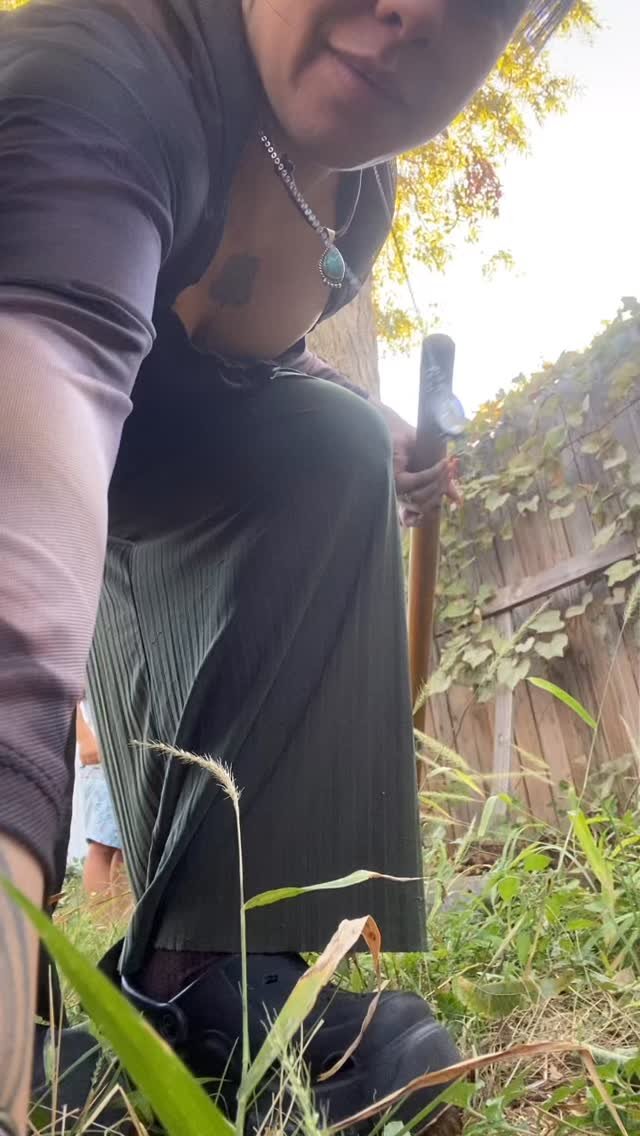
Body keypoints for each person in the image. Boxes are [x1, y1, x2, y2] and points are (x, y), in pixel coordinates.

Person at [0, 2, 577, 1134]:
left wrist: (373, 426)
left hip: (154, 482)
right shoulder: (100, 77)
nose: (414, 8)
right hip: (66, 469)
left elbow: (245, 358)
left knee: (332, 444)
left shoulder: (358, 194)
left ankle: (207, 973)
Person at [76, 703, 128, 921]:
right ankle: (103, 927)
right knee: (103, 842)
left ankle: (124, 927)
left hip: (137, 744)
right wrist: (84, 736)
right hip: (103, 748)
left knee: (131, 842)